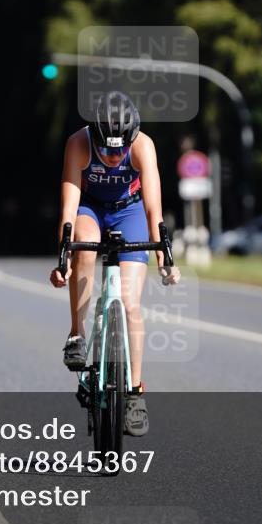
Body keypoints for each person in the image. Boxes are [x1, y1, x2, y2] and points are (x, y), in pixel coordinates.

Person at [49, 91, 180, 436]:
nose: (111, 156)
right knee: (85, 249)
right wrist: (63, 255)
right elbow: (68, 207)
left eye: (119, 149)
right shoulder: (78, 143)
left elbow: (153, 207)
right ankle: (77, 334)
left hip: (130, 210)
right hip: (90, 208)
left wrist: (164, 255)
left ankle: (135, 393)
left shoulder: (143, 146)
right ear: (94, 136)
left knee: (131, 303)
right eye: (105, 148)